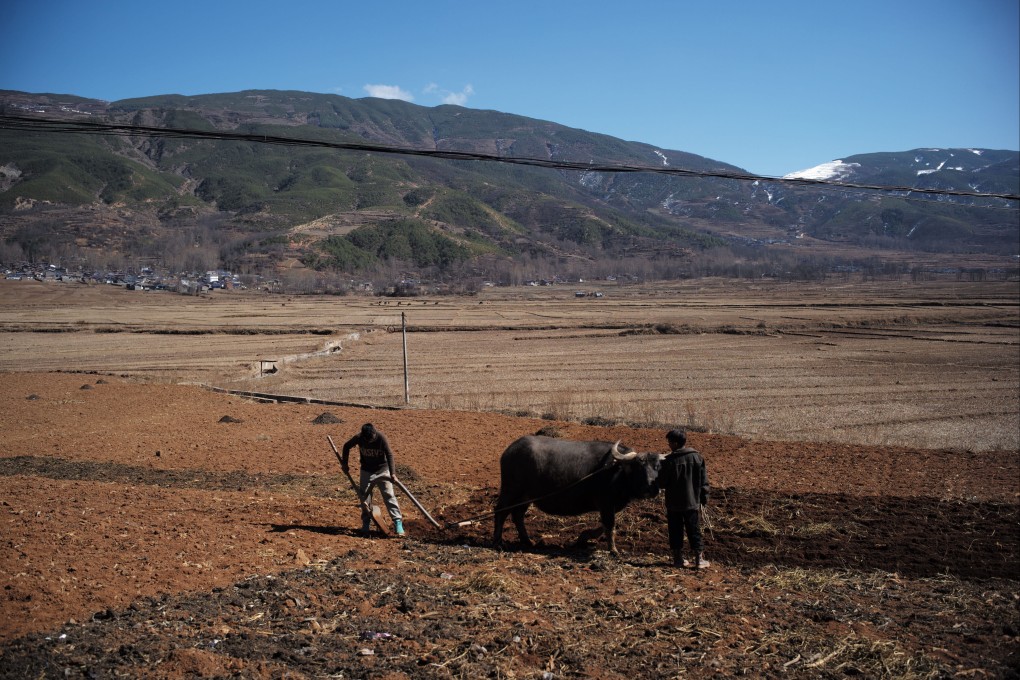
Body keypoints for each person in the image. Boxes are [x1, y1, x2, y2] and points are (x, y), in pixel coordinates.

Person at [341, 423, 404, 536]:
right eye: (368, 439)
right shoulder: (359, 438)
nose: (371, 440)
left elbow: (389, 454)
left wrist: (393, 474)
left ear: (374, 433)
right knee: (365, 497)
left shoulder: (381, 437)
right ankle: (366, 522)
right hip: (367, 471)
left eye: (372, 438)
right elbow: (346, 446)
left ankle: (397, 522)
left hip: (382, 470)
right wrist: (345, 464)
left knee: (389, 495)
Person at [660, 429, 710, 569]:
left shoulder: (668, 461)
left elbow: (662, 483)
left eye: (669, 442)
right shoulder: (697, 458)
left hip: (673, 503)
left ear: (675, 443)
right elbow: (703, 481)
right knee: (694, 530)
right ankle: (699, 560)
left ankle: (678, 559)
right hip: (692, 502)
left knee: (675, 530)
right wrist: (704, 498)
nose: (668, 445)